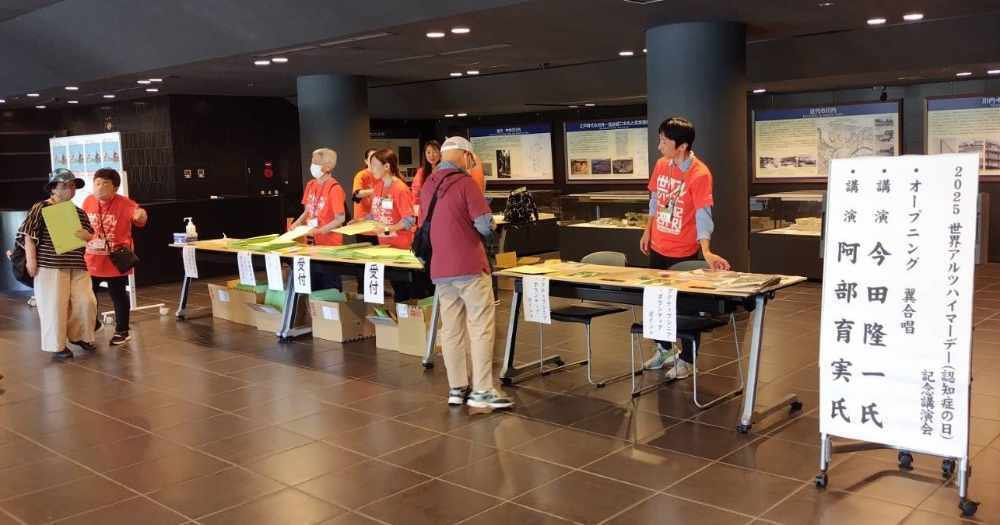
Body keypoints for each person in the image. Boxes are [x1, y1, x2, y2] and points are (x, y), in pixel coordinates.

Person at [419, 136, 512, 409]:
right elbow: (483, 224)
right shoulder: (466, 183)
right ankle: (482, 390)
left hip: (440, 268)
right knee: (480, 326)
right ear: (466, 155)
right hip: (469, 266)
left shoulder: (429, 184)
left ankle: (457, 388)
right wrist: (491, 224)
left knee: (450, 329)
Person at [640, 116, 731, 378]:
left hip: (683, 251)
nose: (659, 146)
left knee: (686, 307)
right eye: (660, 140)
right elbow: (655, 200)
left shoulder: (700, 173)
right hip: (658, 245)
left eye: (664, 141)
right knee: (656, 301)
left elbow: (703, 214)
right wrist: (647, 230)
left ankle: (688, 360)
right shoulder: (661, 164)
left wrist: (706, 250)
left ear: (681, 146)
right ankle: (664, 349)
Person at [21, 169, 97, 361]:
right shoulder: (41, 207)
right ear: (53, 188)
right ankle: (57, 345)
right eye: (64, 186)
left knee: (86, 301)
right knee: (54, 305)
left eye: (72, 186)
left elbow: (90, 234)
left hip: (77, 264)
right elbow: (28, 234)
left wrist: (86, 236)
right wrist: (31, 260)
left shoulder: (78, 211)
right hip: (50, 264)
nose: (69, 190)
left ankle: (80, 335)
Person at [82, 168, 148, 345]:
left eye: (105, 183)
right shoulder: (88, 201)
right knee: (87, 296)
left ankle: (122, 331)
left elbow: (140, 218)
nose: (99, 187)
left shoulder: (125, 203)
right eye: (97, 183)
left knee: (117, 294)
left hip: (115, 259)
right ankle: (94, 324)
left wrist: (140, 215)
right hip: (92, 258)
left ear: (115, 187)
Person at [360, 148, 431, 302]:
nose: (371, 169)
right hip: (386, 247)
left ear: (387, 166)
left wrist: (387, 228)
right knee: (398, 290)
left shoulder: (400, 189)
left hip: (403, 248)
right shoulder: (378, 187)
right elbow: (376, 213)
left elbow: (409, 220)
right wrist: (360, 220)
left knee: (409, 292)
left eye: (375, 165)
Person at [290, 148, 347, 291]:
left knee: (329, 287)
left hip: (329, 246)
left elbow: (340, 218)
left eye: (316, 163)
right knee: (313, 287)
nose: (312, 166)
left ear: (328, 167)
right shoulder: (310, 185)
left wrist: (320, 230)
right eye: (312, 162)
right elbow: (307, 210)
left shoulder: (334, 188)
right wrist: (297, 223)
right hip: (310, 244)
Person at [410, 140, 441, 216]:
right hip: (425, 210)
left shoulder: (445, 170)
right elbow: (416, 192)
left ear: (440, 153)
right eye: (428, 152)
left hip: (441, 208)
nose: (431, 155)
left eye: (434, 151)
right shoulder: (421, 172)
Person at [352, 149, 378, 222]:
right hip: (362, 219)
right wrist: (375, 190)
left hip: (378, 219)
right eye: (372, 158)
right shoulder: (361, 175)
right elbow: (357, 194)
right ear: (366, 161)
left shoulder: (381, 176)